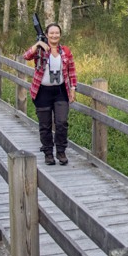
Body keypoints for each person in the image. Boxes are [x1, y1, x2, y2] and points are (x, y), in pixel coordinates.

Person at [23, 23, 77, 166]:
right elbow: (26, 56)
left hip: (60, 91)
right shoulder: (40, 49)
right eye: (51, 33)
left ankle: (61, 151)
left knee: (61, 122)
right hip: (42, 92)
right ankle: (48, 153)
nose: (54, 36)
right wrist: (39, 43)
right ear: (46, 35)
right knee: (45, 125)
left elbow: (71, 70)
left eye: (57, 33)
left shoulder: (65, 51)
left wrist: (73, 89)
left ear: (60, 35)